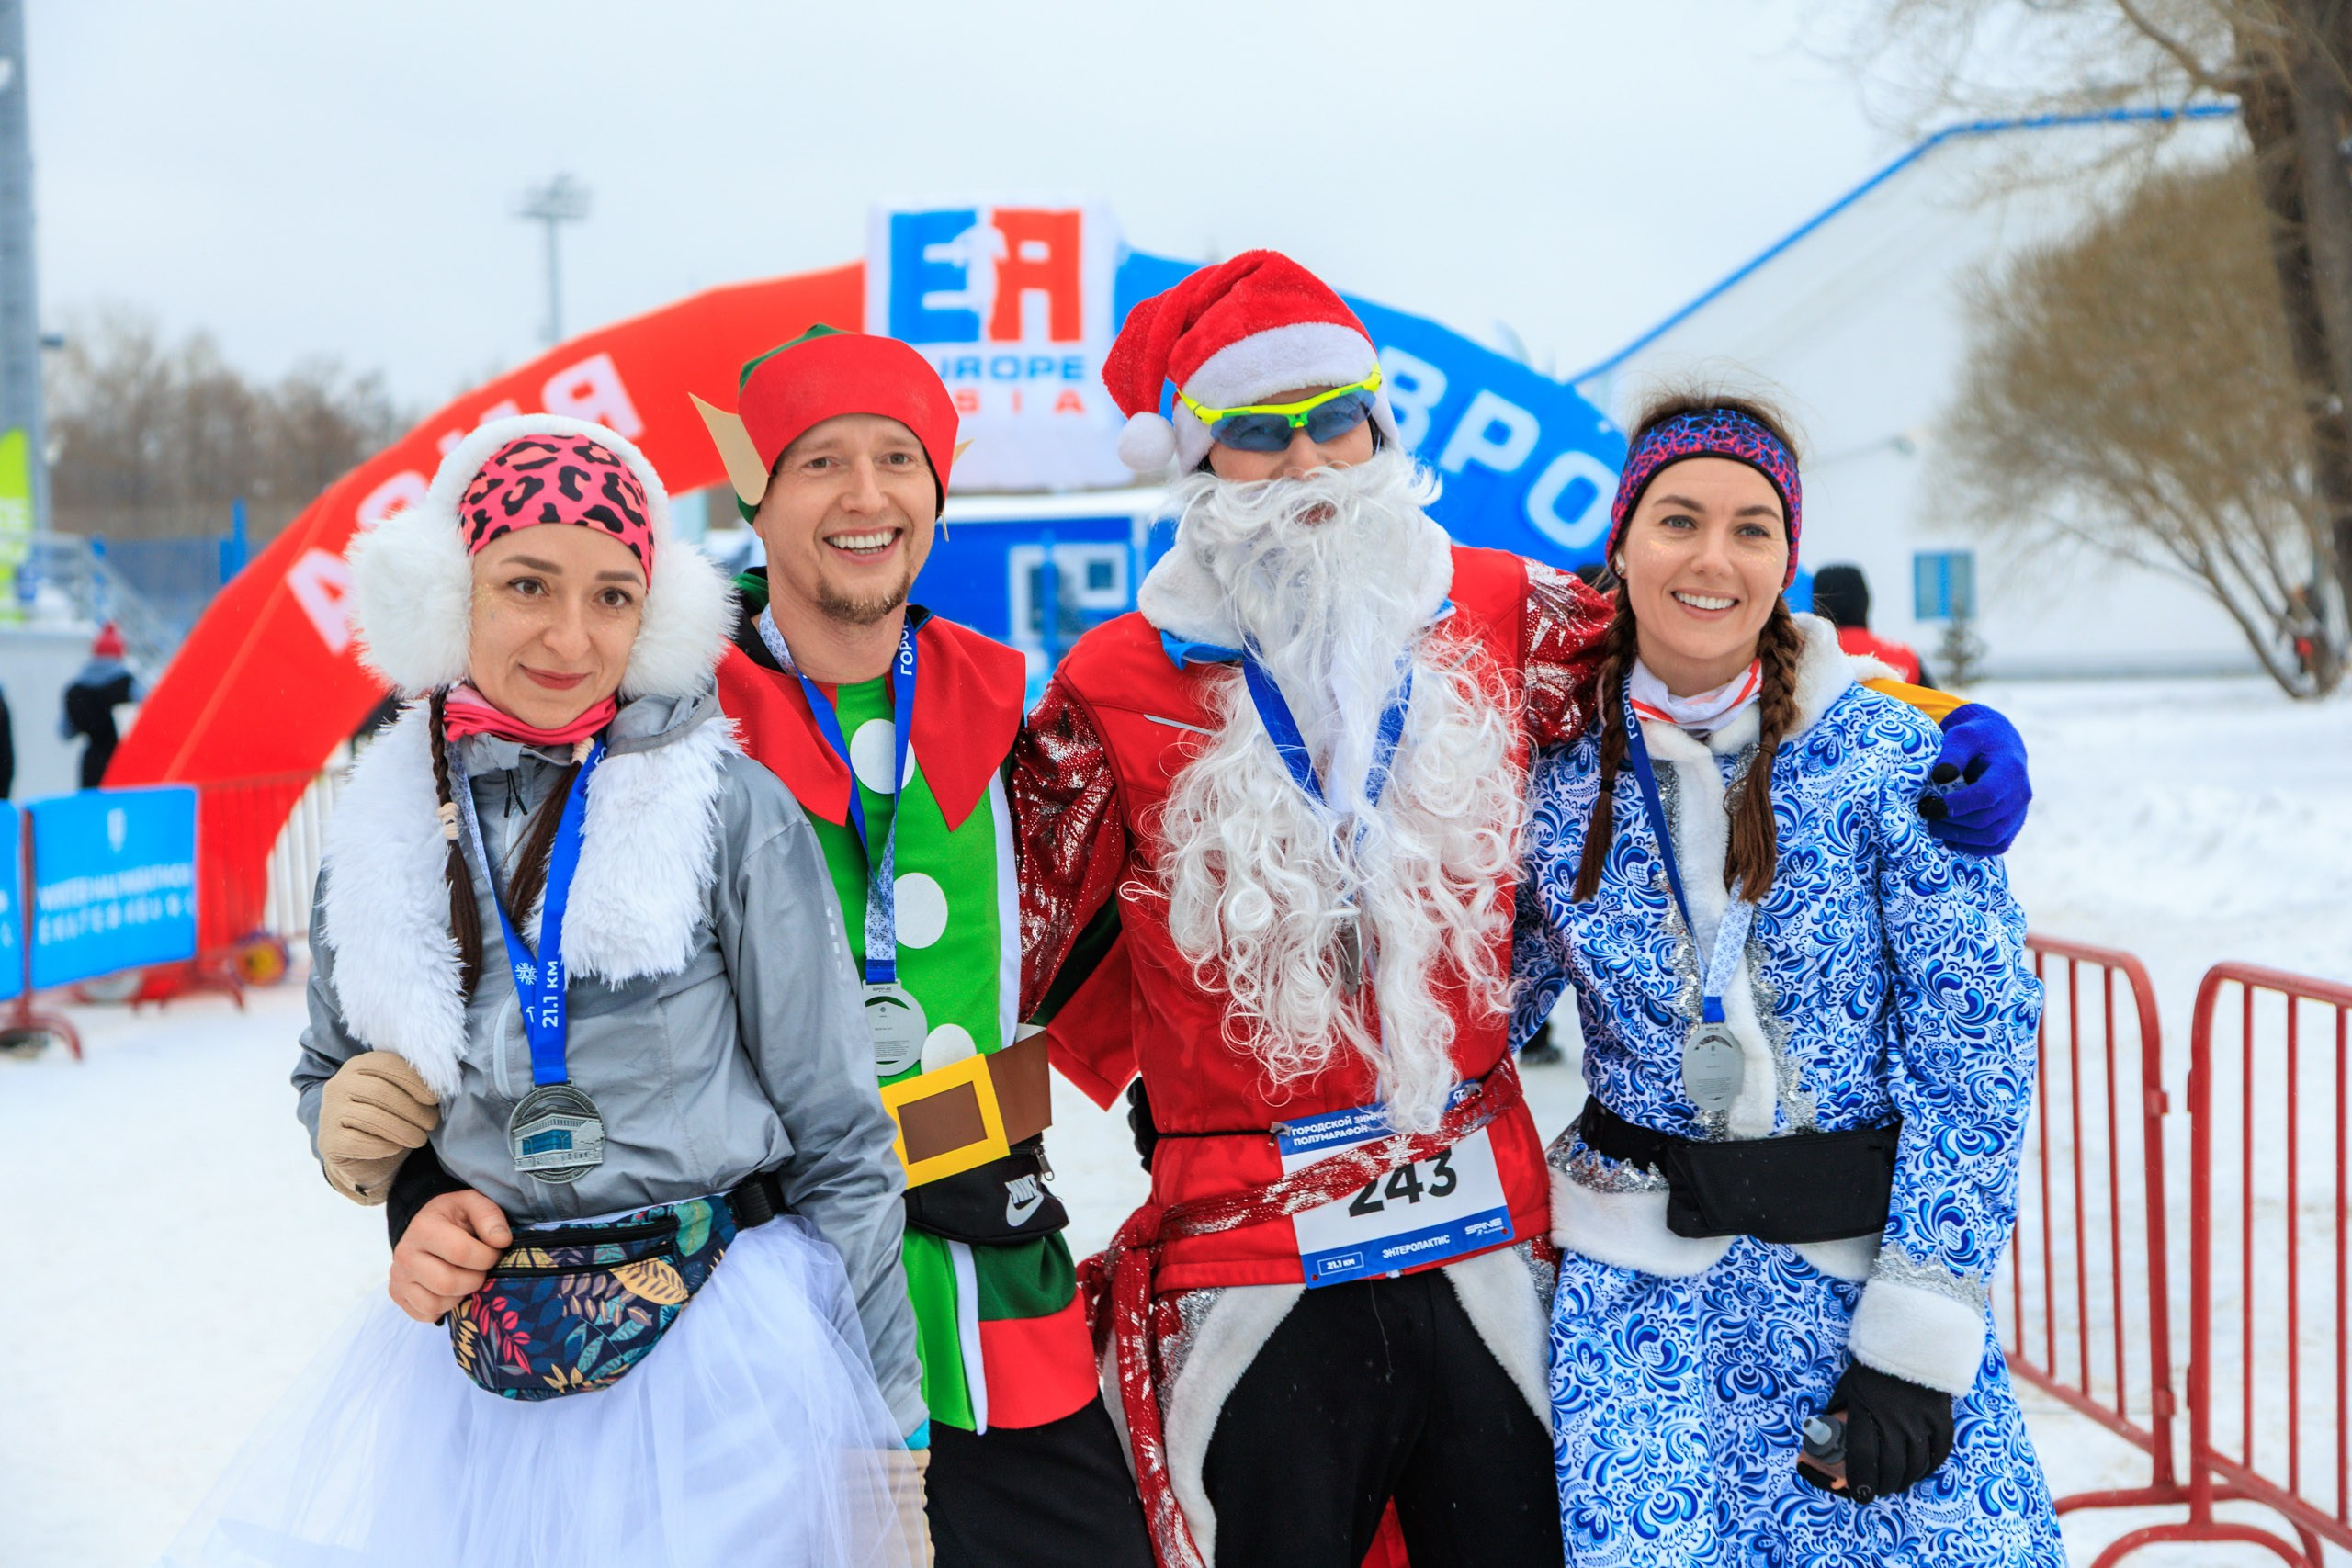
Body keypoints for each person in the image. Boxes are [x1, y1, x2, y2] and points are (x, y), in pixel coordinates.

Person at [1012, 252, 2036, 1568]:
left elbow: (1706, 627)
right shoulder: (1111, 680)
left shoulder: (1500, 607)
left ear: (1385, 431)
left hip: (1481, 1231)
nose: (1311, 462)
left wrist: (1939, 713)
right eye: (1257, 436)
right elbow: (999, 926)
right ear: (1198, 467)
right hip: (1253, 1244)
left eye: (1337, 420)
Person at [362, 333, 1155, 1568]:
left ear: (938, 495)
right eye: (820, 461)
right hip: (733, 1303)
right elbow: (468, 955)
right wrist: (415, 1183)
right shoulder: (643, 730)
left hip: (992, 1275)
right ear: (757, 499)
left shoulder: (1023, 729)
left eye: (899, 458)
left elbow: (1169, 928)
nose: (866, 494)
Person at [166, 415, 927, 1568]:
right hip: (485, 1367)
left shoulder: (722, 808)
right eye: (528, 584)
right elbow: (331, 1074)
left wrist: (884, 1436)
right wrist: (353, 1141)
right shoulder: (377, 822)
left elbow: (841, 1136)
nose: (572, 637)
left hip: (722, 1356)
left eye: (614, 596)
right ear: (448, 592)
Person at [1515, 393, 2059, 1564]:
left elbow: (1978, 1054)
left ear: (1786, 560)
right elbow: (1465, 1011)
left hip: (1856, 1287)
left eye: (1752, 527)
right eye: (1677, 520)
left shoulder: (1893, 760)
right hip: (1638, 1318)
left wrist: (1917, 1338)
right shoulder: (1551, 774)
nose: (1712, 557)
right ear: (1621, 543)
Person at [1809, 562, 1933, 686]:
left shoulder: (1809, 658)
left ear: (1818, 604)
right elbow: (1936, 703)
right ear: (1865, 600)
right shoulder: (1905, 657)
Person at [59, 621, 139, 787]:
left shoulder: (75, 690)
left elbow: (66, 733)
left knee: (92, 809)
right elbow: (140, 726)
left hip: (91, 764)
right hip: (121, 761)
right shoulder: (128, 685)